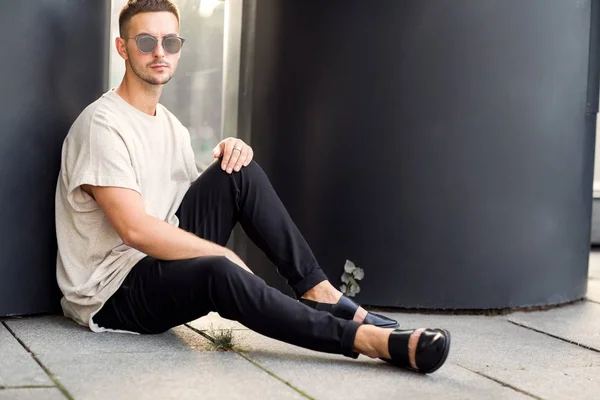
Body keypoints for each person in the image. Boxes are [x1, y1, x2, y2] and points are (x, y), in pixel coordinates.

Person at [55, 0, 451, 374]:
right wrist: (224, 257)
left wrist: (232, 154)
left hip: (153, 266)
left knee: (238, 169)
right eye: (146, 41)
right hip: (113, 294)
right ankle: (366, 340)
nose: (160, 51)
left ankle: (320, 292)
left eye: (170, 41)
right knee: (217, 270)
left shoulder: (170, 125)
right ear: (122, 48)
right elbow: (136, 230)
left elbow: (183, 207)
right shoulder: (102, 125)